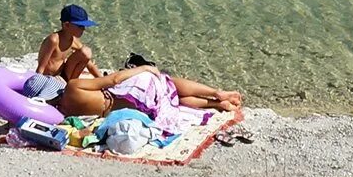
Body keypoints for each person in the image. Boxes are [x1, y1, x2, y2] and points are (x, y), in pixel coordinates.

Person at [53, 61, 242, 123]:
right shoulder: (73, 86)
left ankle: (216, 104)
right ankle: (216, 93)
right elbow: (114, 80)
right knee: (169, 84)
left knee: (173, 101)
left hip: (128, 110)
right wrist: (142, 68)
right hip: (127, 95)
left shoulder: (65, 113)